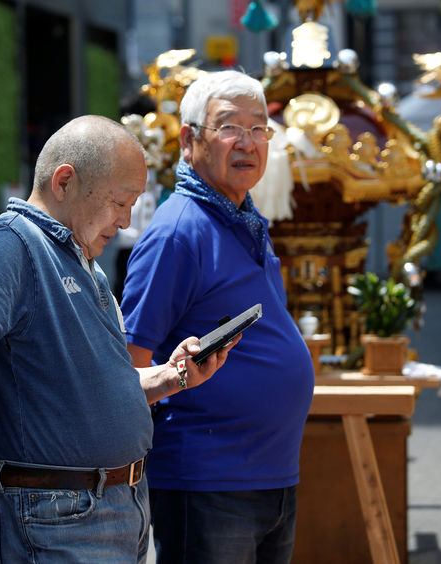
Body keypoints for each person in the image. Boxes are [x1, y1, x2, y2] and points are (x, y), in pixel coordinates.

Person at [0, 115, 238, 562]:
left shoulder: (80, 256)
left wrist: (171, 377)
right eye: (120, 202)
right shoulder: (13, 244)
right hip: (58, 519)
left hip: (113, 508)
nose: (124, 221)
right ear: (65, 181)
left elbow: (96, 388)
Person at [120, 70, 315, 563]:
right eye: (230, 126)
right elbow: (126, 366)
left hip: (272, 476)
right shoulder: (178, 232)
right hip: (208, 483)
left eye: (259, 128)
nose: (247, 141)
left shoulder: (244, 219)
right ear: (189, 140)